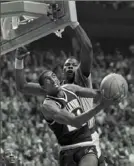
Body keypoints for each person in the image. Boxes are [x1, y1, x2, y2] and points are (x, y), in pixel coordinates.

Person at [15, 22, 110, 166]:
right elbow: (23, 87)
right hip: (70, 142)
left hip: (89, 138)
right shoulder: (56, 87)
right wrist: (19, 61)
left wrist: (74, 24)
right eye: (67, 65)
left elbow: (88, 48)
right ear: (61, 71)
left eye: (73, 64)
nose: (70, 66)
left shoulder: (81, 77)